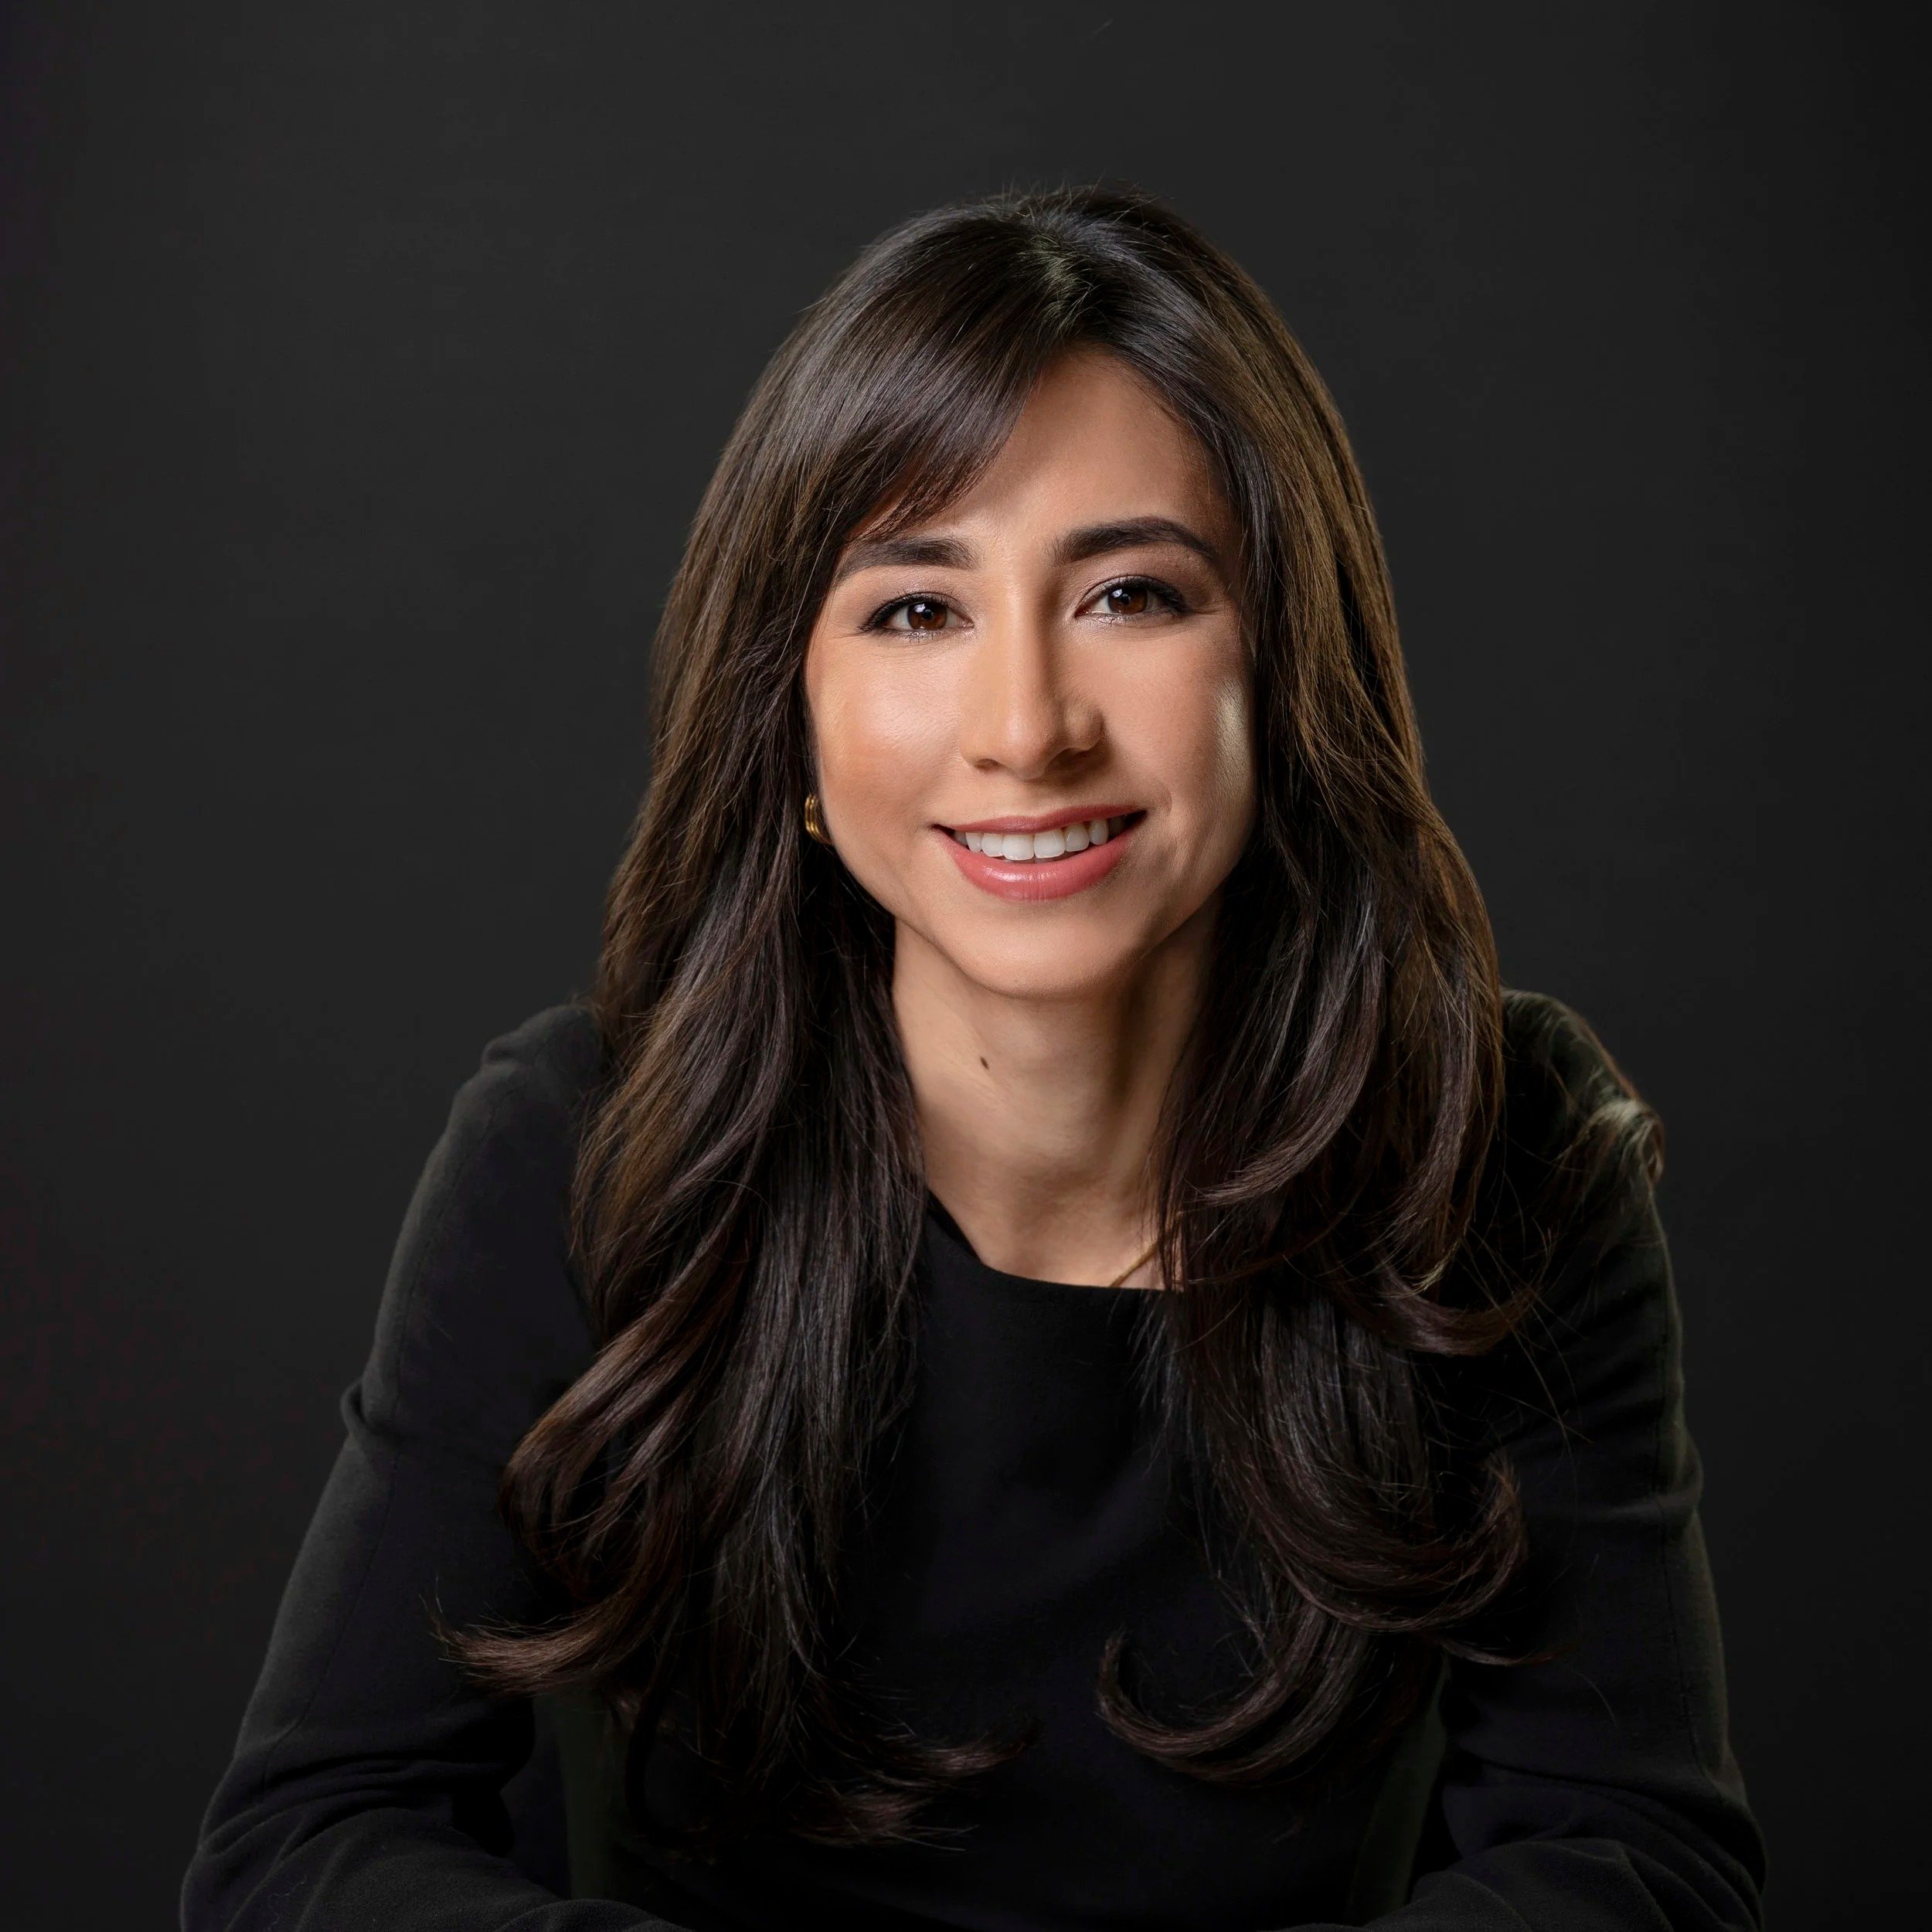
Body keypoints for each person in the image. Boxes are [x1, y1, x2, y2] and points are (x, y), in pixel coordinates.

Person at [181, 184, 1766, 1930]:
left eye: (1132, 594)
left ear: (1286, 666)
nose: (1026, 727)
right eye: (915, 611)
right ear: (786, 717)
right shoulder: (586, 1144)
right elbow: (306, 1848)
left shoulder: (1497, 1148)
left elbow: (1635, 1861)